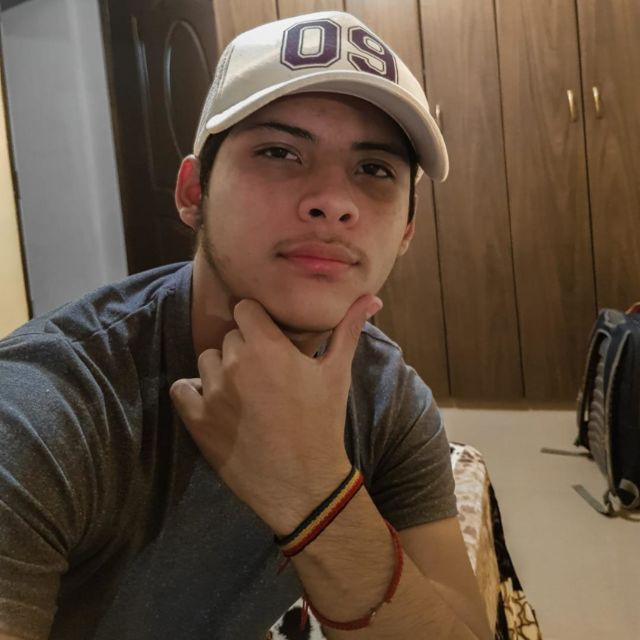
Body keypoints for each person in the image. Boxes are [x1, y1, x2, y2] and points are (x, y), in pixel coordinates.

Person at [0, 11, 491, 640]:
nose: (333, 202)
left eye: (374, 169)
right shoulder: (45, 414)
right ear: (193, 193)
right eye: (279, 152)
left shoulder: (388, 399)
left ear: (405, 233)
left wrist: (315, 491)